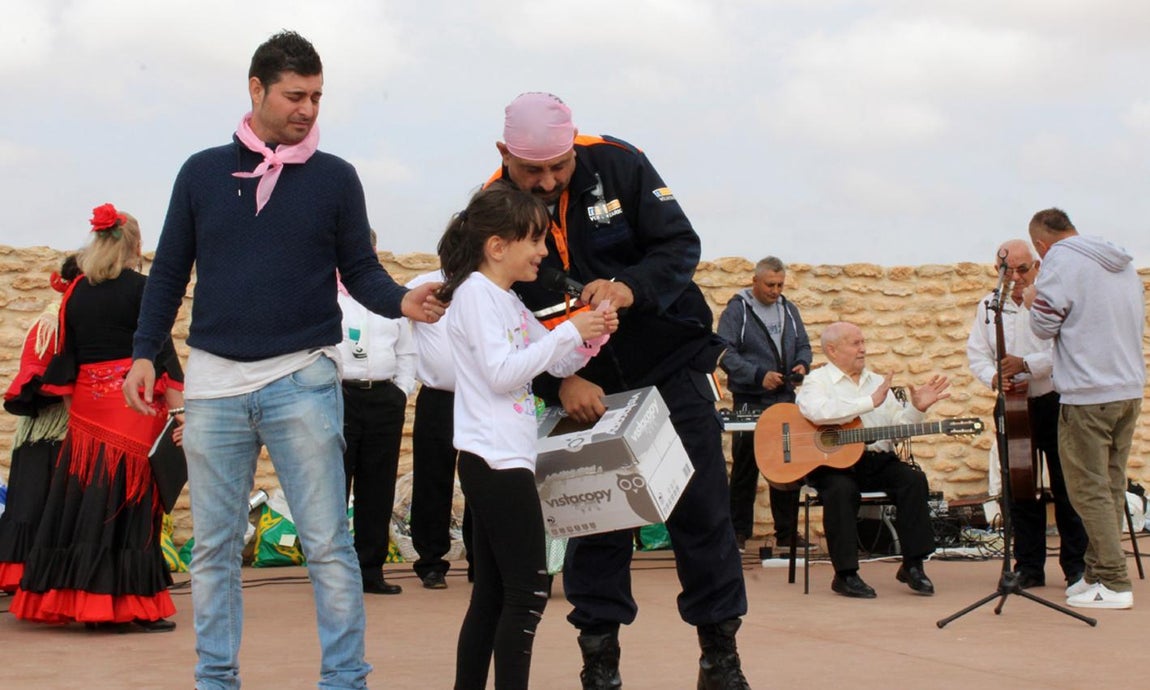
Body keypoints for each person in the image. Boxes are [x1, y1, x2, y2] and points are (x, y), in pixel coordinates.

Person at [120, 31, 443, 689]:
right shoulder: (201, 173)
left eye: (317, 96)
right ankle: (215, 679)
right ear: (256, 89)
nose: (308, 109)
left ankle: (345, 678)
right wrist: (144, 352)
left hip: (303, 375)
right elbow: (169, 271)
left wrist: (403, 302)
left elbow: (360, 271)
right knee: (213, 548)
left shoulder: (336, 178)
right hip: (214, 382)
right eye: (296, 95)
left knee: (327, 543)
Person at [489, 92, 750, 689]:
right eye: (532, 170)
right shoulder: (491, 209)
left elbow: (679, 247)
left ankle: (720, 660)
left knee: (703, 515)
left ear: (574, 145)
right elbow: (500, 318)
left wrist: (631, 287)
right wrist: (559, 381)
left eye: (559, 166)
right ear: (504, 153)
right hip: (584, 387)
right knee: (596, 523)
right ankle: (599, 667)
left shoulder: (620, 163)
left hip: (671, 365)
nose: (548, 181)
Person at [438, 182, 618, 690]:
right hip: (495, 461)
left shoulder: (506, 299)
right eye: (535, 240)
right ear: (498, 246)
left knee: (493, 596)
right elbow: (502, 373)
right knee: (528, 592)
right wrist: (570, 330)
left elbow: (554, 361)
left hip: (502, 459)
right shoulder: (477, 295)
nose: (544, 251)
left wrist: (592, 334)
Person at [10, 205, 184, 631]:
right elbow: (162, 355)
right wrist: (181, 413)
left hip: (87, 410)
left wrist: (79, 415)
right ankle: (121, 605)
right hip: (134, 406)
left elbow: (66, 361)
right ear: (136, 247)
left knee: (83, 501)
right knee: (129, 503)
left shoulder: (76, 293)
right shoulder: (145, 289)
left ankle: (80, 600)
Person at [1026, 208, 1145, 610]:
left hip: (1088, 394)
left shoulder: (1060, 259)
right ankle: (1094, 574)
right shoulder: (1119, 261)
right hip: (1127, 389)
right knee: (1109, 486)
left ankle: (1114, 581)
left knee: (1087, 491)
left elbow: (1043, 326)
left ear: (1041, 244)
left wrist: (1032, 299)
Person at [795, 322, 948, 599]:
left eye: (863, 342)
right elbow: (818, 412)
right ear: (832, 349)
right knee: (841, 490)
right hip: (832, 464)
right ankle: (845, 575)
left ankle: (913, 565)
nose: (863, 349)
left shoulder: (878, 382)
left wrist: (916, 410)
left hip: (877, 460)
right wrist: (868, 403)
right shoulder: (817, 382)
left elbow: (898, 429)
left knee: (913, 480)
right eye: (855, 343)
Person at [966, 239, 1086, 590]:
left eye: (1023, 269)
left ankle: (1076, 567)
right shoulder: (988, 306)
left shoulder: (1050, 302)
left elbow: (1063, 350)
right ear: (997, 271)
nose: (1016, 277)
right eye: (1008, 271)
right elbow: (977, 353)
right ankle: (1029, 567)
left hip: (1054, 399)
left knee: (1066, 485)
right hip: (1012, 404)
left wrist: (1026, 365)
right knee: (1019, 487)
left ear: (1037, 267)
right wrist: (995, 377)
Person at [336, 230, 417, 596]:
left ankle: (371, 569)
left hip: (384, 397)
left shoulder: (389, 296)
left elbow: (407, 351)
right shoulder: (325, 295)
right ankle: (335, 572)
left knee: (378, 485)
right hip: (340, 396)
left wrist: (400, 392)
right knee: (335, 484)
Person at [717, 256, 810, 552]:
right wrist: (758, 376)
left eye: (780, 285)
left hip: (784, 398)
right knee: (746, 463)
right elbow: (723, 352)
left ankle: (787, 533)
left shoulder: (789, 309)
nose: (775, 291)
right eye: (770, 284)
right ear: (755, 281)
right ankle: (737, 532)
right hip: (750, 399)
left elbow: (804, 345)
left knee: (786, 465)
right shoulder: (737, 310)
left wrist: (802, 364)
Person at [0, 255, 80, 592]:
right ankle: (38, 575)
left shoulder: (51, 319)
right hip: (54, 428)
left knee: (32, 500)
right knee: (43, 502)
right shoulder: (56, 322)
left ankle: (24, 575)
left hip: (40, 432)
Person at [407, 267, 472, 589]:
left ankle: (482, 560)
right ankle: (431, 562)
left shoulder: (491, 287)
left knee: (482, 478)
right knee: (432, 478)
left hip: (481, 399)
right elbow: (395, 325)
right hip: (438, 397)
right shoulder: (421, 285)